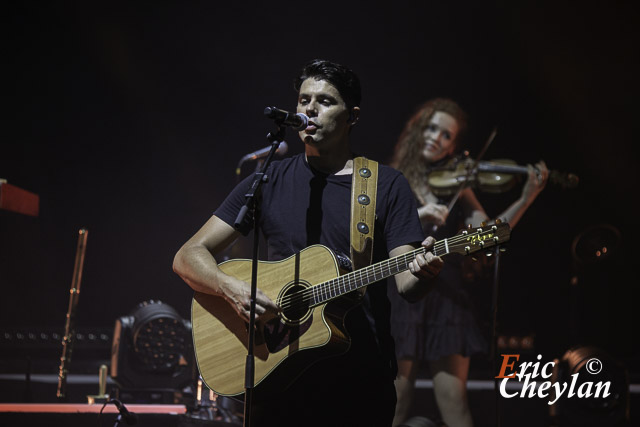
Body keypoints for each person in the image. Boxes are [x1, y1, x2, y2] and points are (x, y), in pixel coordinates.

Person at [173, 59, 445, 427]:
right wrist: (231, 288)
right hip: (275, 377)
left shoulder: (385, 185)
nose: (310, 109)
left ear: (353, 116)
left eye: (325, 101)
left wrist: (425, 271)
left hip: (358, 381)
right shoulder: (268, 178)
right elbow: (188, 255)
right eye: (303, 100)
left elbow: (406, 284)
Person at [388, 98, 549, 427]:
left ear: (453, 147)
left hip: (447, 299)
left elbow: (487, 235)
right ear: (417, 130)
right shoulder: (390, 180)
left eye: (447, 135)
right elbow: (373, 236)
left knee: (454, 402)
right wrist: (418, 214)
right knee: (396, 400)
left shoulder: (458, 187)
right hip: (402, 295)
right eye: (431, 128)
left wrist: (525, 198)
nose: (436, 138)